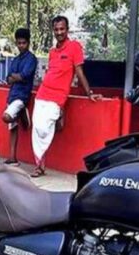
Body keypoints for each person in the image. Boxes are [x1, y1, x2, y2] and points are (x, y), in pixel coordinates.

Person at [30, 15, 102, 178]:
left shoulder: (75, 47)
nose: (59, 32)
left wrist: (89, 93)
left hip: (57, 97)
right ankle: (39, 166)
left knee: (43, 129)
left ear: (67, 29)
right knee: (37, 129)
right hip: (42, 94)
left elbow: (79, 73)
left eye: (62, 29)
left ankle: (58, 116)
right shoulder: (52, 52)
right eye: (56, 29)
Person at [2, 28, 37, 166]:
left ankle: (22, 112)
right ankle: (12, 157)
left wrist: (15, 77)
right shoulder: (15, 59)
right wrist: (16, 77)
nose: (21, 45)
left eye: (23, 43)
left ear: (28, 43)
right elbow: (8, 78)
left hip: (22, 96)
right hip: (12, 96)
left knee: (6, 117)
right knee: (12, 128)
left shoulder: (31, 59)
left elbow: (24, 76)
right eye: (19, 43)